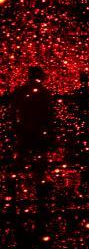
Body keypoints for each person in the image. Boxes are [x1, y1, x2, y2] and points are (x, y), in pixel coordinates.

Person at [10, 66, 55, 200]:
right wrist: (49, 128)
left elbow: (13, 109)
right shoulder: (43, 92)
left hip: (25, 128)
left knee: (21, 155)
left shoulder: (21, 91)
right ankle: (40, 185)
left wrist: (16, 125)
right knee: (39, 157)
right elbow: (49, 112)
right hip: (38, 129)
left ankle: (12, 183)